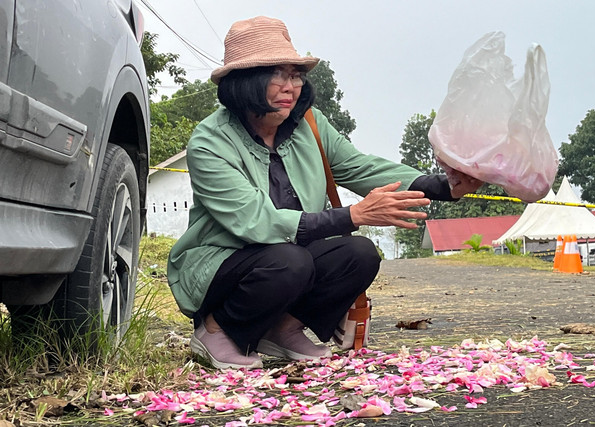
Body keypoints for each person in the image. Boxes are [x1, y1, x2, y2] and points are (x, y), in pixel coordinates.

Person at [167, 16, 483, 370]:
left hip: (285, 261)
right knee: (290, 261)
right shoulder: (209, 142)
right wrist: (353, 215)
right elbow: (254, 221)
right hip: (222, 264)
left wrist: (445, 185)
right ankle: (216, 330)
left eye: (296, 75)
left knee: (359, 253)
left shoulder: (308, 125)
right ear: (246, 80)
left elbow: (363, 168)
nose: (292, 86)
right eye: (279, 75)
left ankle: (282, 328)